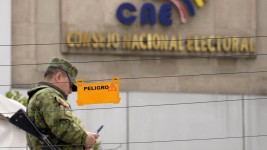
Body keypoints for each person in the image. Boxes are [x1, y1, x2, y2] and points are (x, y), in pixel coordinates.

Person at [27, 57, 98, 150]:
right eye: (70, 85)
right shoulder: (48, 95)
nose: (71, 91)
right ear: (59, 77)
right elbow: (62, 127)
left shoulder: (41, 95)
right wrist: (85, 138)